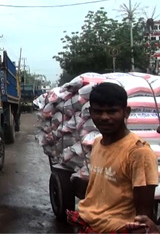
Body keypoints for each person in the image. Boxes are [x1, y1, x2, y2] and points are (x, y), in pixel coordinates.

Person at [67, 82, 158, 233]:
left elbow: (144, 212)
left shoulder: (138, 152)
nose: (104, 117)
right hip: (89, 224)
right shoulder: (97, 143)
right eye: (98, 111)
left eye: (112, 111)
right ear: (90, 112)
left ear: (126, 112)